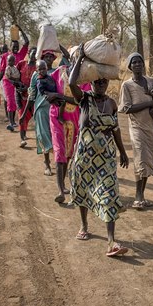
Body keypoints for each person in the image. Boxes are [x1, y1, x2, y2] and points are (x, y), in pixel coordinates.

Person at [68, 48, 130, 256]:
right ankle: (84, 226)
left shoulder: (111, 103)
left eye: (104, 82)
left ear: (108, 83)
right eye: (97, 81)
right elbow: (71, 83)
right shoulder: (84, 99)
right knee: (83, 191)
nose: (101, 84)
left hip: (105, 159)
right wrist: (82, 58)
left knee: (109, 195)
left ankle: (112, 242)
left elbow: (115, 130)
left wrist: (122, 152)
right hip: (84, 158)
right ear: (92, 82)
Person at [118, 53, 153, 210]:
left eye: (140, 62)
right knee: (141, 159)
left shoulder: (152, 82)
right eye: (134, 62)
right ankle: (138, 197)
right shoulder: (127, 85)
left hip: (151, 127)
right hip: (137, 127)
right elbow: (126, 108)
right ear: (130, 66)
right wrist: (149, 104)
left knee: (148, 160)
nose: (138, 64)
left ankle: (142, 195)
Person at [46, 49, 91, 204]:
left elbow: (79, 101)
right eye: (75, 57)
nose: (77, 60)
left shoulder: (84, 80)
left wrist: (59, 96)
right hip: (56, 117)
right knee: (59, 151)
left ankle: (64, 184)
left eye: (80, 58)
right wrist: (49, 96)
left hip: (74, 119)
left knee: (68, 153)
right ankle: (60, 190)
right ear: (70, 58)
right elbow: (47, 88)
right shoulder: (59, 72)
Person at [20, 57, 55, 176]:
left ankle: (60, 162)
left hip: (54, 109)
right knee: (43, 136)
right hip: (40, 109)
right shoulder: (35, 76)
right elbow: (32, 95)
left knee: (56, 135)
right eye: (39, 69)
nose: (42, 70)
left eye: (51, 56)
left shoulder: (56, 73)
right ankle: (47, 163)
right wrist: (24, 115)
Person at [0, 25, 29, 129]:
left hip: (18, 82)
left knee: (17, 101)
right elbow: (1, 72)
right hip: (7, 81)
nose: (15, 48)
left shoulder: (20, 55)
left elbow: (26, 42)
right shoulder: (6, 56)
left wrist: (21, 30)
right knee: (10, 100)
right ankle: (11, 122)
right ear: (10, 46)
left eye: (17, 47)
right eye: (13, 46)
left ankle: (15, 121)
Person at [15, 48, 38, 147]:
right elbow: (15, 78)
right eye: (32, 53)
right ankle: (22, 138)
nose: (34, 56)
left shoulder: (38, 67)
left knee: (31, 116)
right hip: (21, 96)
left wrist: (27, 88)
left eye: (36, 54)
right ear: (28, 53)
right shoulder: (21, 64)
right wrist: (20, 86)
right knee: (21, 116)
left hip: (34, 97)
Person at [4, 54, 21, 131]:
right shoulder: (8, 68)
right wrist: (15, 80)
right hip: (9, 86)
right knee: (10, 104)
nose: (10, 62)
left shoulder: (15, 68)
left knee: (13, 104)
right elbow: (8, 77)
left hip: (14, 86)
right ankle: (10, 122)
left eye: (12, 60)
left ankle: (13, 121)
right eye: (9, 60)